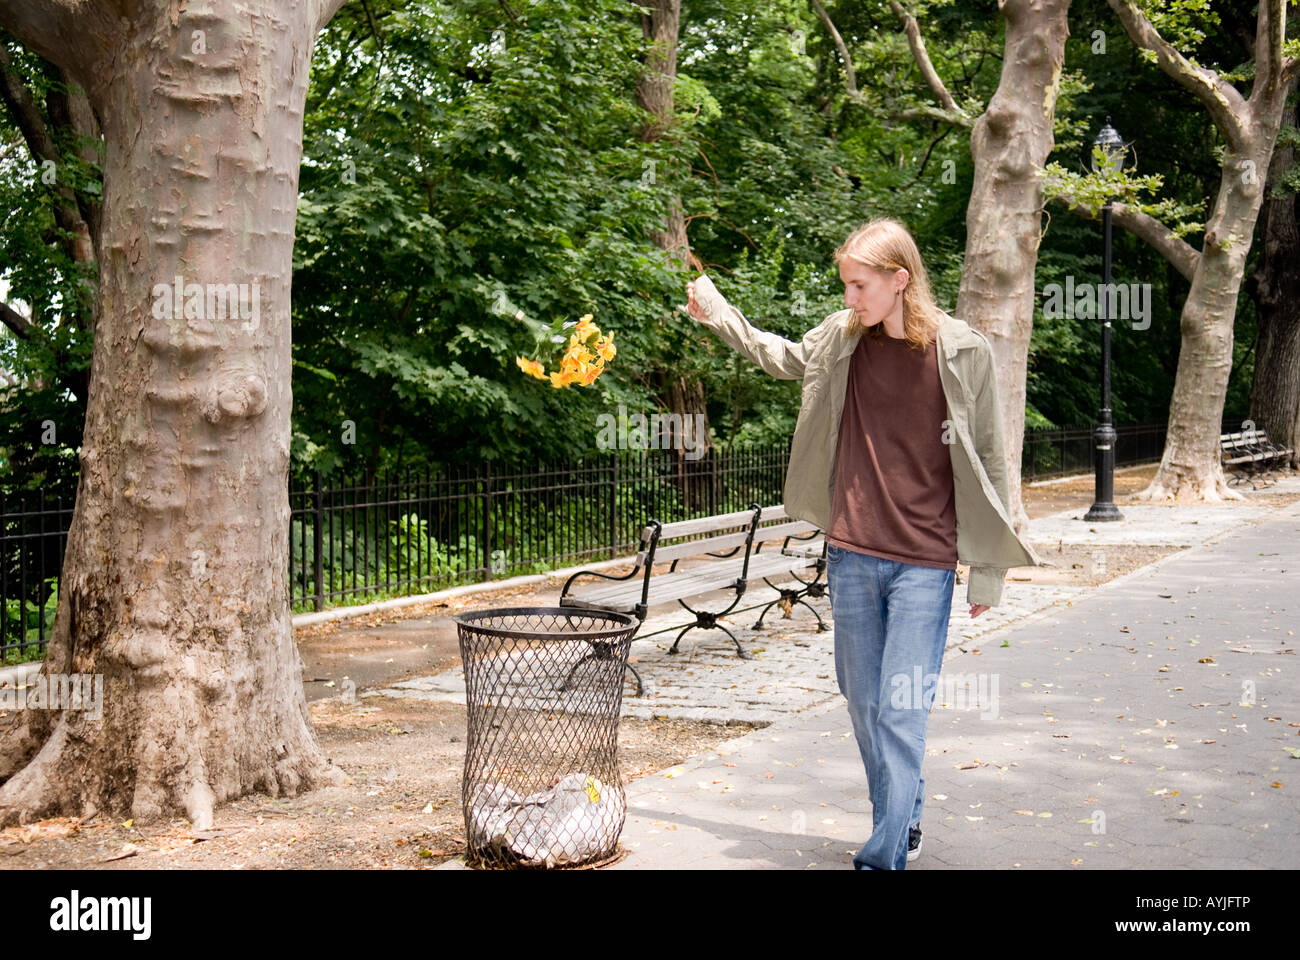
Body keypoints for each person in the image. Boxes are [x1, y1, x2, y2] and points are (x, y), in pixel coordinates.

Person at [682, 217, 1040, 870]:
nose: (850, 297)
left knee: (901, 712)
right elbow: (779, 357)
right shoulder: (844, 339)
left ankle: (882, 856)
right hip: (851, 555)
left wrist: (988, 573)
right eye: (846, 284)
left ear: (899, 280)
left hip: (924, 566)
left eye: (860, 285)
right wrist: (717, 312)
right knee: (866, 701)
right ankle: (904, 818)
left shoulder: (963, 353)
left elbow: (990, 455)